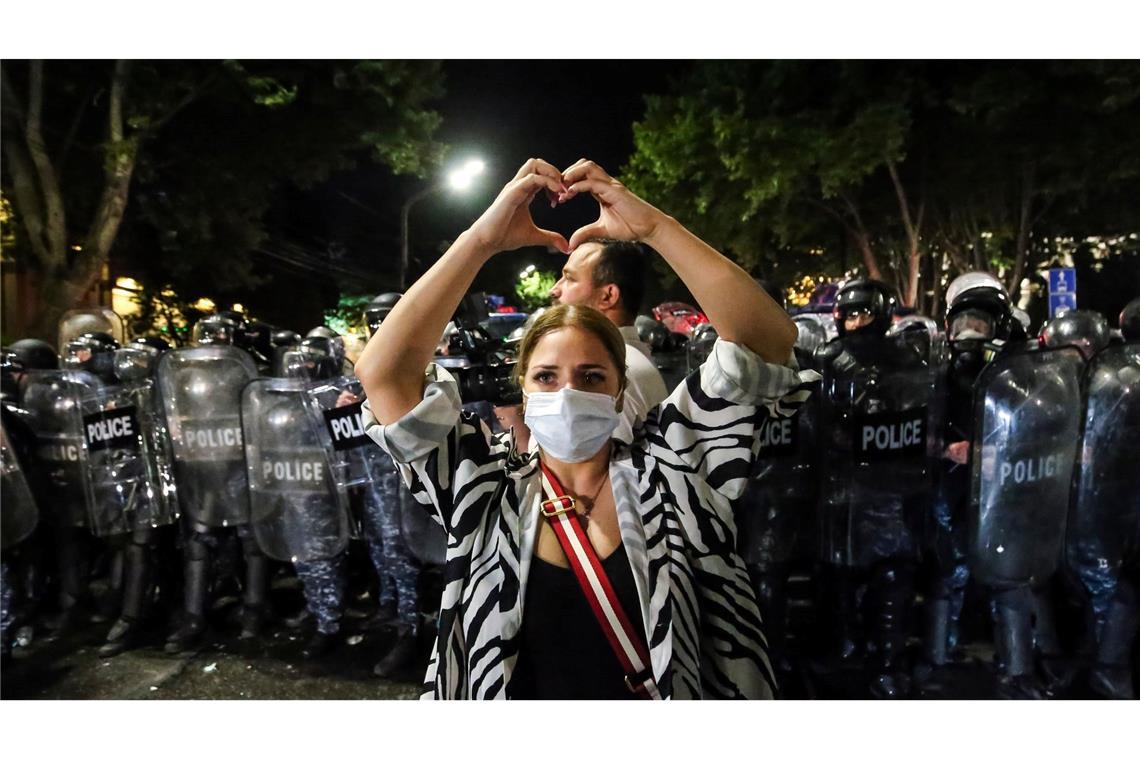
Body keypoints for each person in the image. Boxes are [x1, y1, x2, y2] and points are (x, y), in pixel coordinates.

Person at [355, 158, 814, 699]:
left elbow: (766, 341)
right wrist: (480, 241)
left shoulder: (673, 468)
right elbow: (383, 372)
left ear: (621, 390)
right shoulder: (482, 489)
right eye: (546, 376)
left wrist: (653, 229)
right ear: (522, 389)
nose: (567, 393)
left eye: (591, 375)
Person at [549, 239, 669, 443]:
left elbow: (605, 471)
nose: (554, 289)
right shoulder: (624, 361)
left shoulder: (612, 373)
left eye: (569, 279)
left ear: (608, 296)